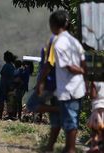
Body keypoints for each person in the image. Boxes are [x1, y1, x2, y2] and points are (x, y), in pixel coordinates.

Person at [49, 10, 86, 153]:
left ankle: (70, 149)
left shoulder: (59, 44)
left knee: (70, 122)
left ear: (53, 25)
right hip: (78, 87)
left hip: (68, 89)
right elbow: (83, 61)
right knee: (73, 121)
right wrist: (85, 76)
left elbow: (69, 67)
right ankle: (68, 148)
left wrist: (82, 72)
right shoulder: (74, 41)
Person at [29, 34, 60, 152]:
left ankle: (58, 109)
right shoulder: (69, 42)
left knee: (32, 105)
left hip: (49, 83)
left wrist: (40, 82)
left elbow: (48, 65)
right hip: (59, 84)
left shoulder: (53, 42)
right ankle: (50, 146)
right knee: (55, 119)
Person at [87, 81, 104, 153]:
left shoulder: (95, 81)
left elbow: (93, 95)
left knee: (95, 131)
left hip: (98, 109)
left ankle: (94, 147)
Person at [0, 51, 16, 119]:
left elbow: (2, 73)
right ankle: (10, 115)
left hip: (4, 86)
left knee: (2, 101)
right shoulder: (12, 66)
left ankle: (0, 116)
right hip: (9, 86)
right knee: (9, 102)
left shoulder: (6, 66)